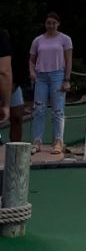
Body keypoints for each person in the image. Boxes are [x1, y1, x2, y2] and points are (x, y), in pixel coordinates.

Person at [29, 12, 73, 155]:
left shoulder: (65, 39)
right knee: (39, 109)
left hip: (57, 75)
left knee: (58, 110)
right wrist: (32, 72)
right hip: (41, 76)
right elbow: (31, 59)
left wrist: (67, 79)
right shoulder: (38, 40)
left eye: (53, 23)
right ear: (45, 23)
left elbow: (68, 60)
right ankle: (37, 141)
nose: (51, 25)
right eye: (48, 23)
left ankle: (58, 141)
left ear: (58, 24)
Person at [0, 28, 27, 140]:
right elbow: (4, 71)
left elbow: (8, 71)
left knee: (17, 118)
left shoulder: (16, 51)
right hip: (3, 85)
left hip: (14, 86)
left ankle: (16, 148)